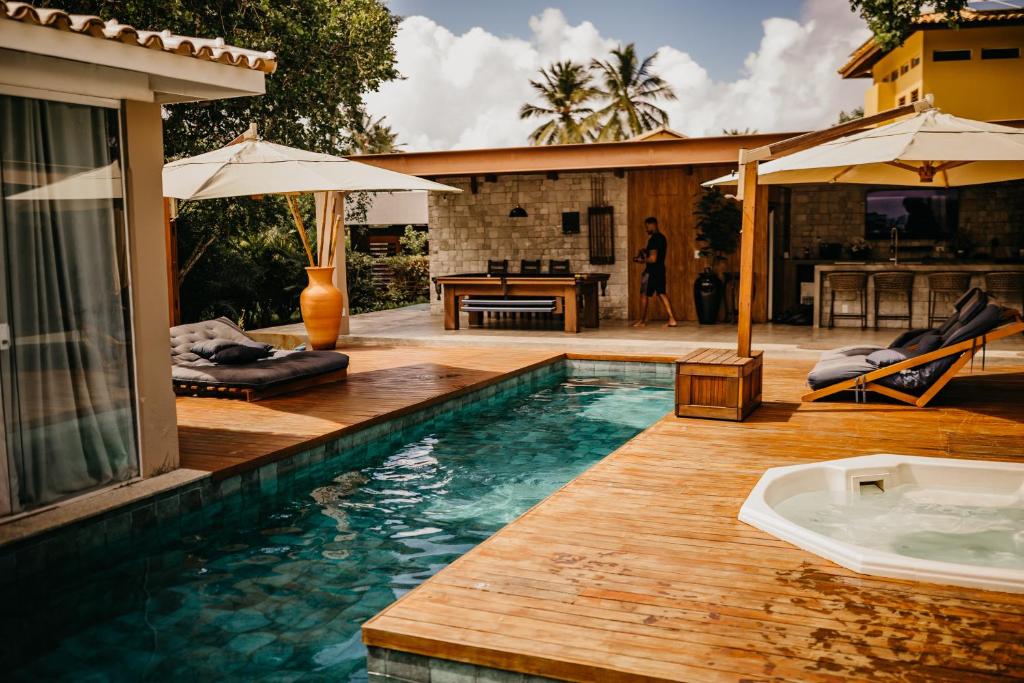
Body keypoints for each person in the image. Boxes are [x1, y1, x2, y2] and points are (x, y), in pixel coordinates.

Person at [632, 216, 678, 327]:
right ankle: (672, 319)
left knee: (643, 294)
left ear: (653, 225)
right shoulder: (662, 238)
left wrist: (640, 260)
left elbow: (653, 259)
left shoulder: (654, 239)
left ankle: (642, 321)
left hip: (651, 271)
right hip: (660, 270)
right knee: (662, 293)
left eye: (647, 227)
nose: (646, 229)